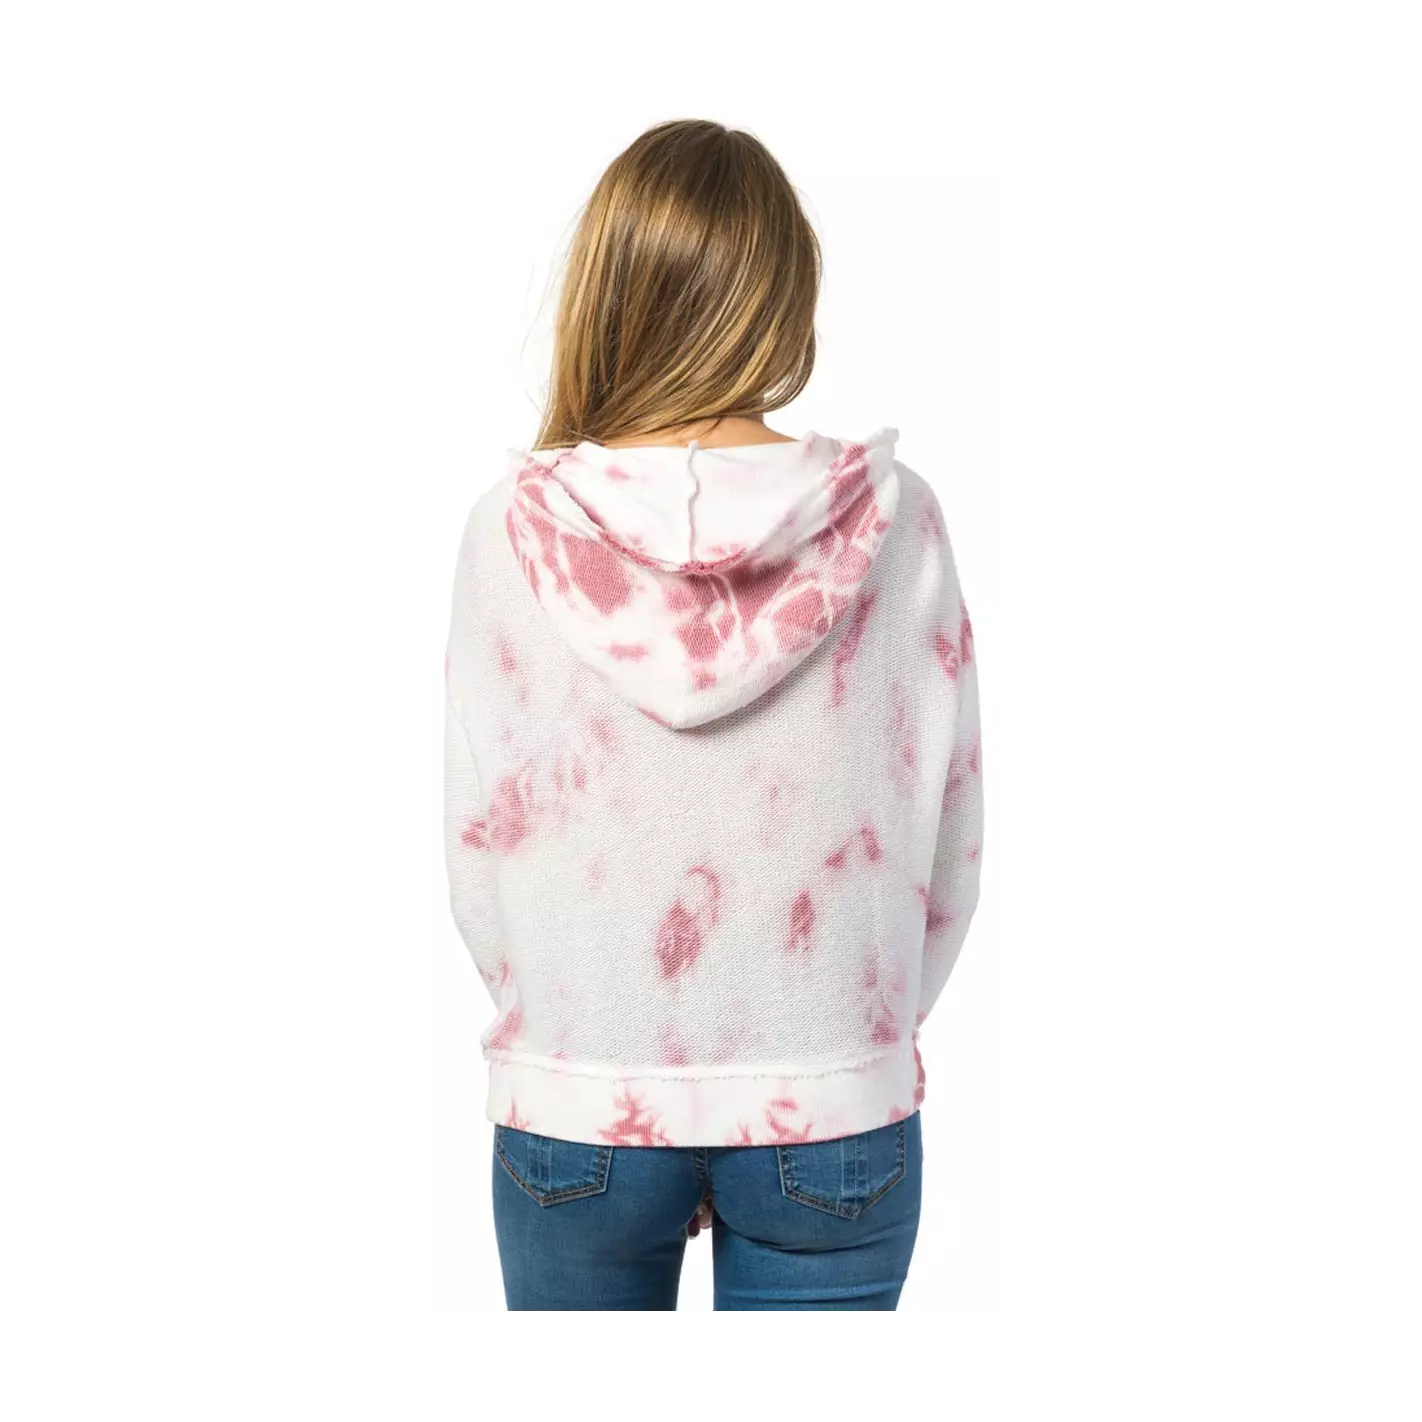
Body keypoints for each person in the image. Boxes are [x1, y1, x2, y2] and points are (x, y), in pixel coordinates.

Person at [443, 119, 983, 1311]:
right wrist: (848, 1045)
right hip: (832, 1109)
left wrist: (580, 1037)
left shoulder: (513, 531)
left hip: (576, 1103)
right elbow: (948, 838)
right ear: (782, 292)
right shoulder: (898, 519)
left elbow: (481, 852)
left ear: (610, 290)